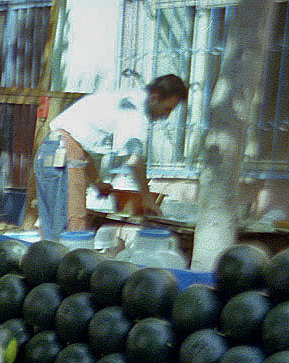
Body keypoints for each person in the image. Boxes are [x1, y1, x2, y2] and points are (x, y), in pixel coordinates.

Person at [33, 74, 188, 241]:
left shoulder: (123, 99)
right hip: (61, 157)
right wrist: (148, 198)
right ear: (154, 97)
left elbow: (80, 148)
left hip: (49, 150)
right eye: (167, 109)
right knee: (71, 233)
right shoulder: (133, 111)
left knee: (52, 234)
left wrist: (97, 182)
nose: (166, 116)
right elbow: (134, 161)